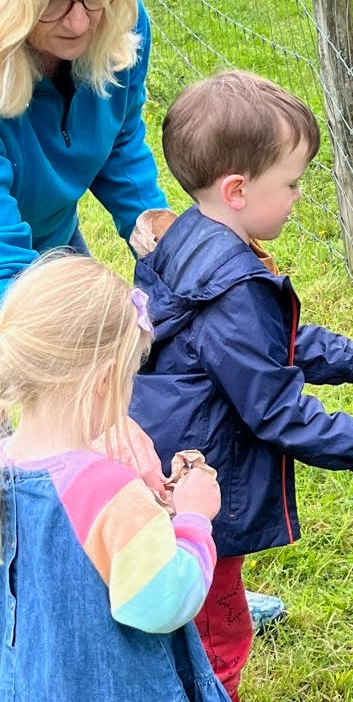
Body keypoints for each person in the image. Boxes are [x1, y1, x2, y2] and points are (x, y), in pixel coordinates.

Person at [130, 69, 353, 701]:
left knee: (191, 609)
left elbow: (256, 346)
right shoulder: (237, 284)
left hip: (162, 457)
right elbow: (272, 405)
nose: (299, 196)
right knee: (218, 631)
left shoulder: (186, 238)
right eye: (292, 183)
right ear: (239, 189)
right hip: (202, 478)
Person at [0, 253, 228, 701]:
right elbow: (162, 600)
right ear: (105, 380)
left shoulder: (8, 464)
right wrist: (195, 519)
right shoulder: (107, 490)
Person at [0, 0, 175, 298]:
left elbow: (117, 139)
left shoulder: (119, 20)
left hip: (53, 237)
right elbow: (6, 266)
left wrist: (163, 250)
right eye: (53, 2)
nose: (79, 23)